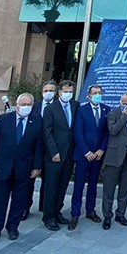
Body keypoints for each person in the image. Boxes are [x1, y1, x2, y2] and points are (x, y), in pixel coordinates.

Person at [0, 93, 43, 244]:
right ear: (17, 105)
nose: (26, 107)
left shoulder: (37, 122)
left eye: (29, 105)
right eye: (23, 104)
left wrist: (37, 167)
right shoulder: (3, 120)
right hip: (3, 168)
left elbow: (39, 146)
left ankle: (12, 228)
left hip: (24, 169)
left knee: (19, 201)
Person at [69, 84, 109, 230]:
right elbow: (78, 133)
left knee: (93, 184)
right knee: (79, 185)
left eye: (99, 92)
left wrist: (101, 149)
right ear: (89, 95)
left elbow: (107, 132)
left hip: (97, 155)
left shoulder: (106, 109)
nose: (97, 95)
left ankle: (90, 211)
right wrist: (87, 152)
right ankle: (75, 214)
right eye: (95, 93)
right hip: (83, 155)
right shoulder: (82, 110)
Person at [41, 80, 78, 231]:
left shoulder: (75, 106)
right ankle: (48, 217)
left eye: (70, 92)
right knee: (51, 186)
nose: (68, 94)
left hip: (69, 153)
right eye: (65, 91)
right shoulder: (50, 108)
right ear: (59, 92)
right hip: (55, 154)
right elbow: (47, 132)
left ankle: (57, 212)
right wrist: (53, 151)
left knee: (63, 185)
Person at [101, 93, 127, 230]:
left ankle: (120, 214)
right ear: (120, 102)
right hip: (114, 155)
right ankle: (107, 216)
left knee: (125, 188)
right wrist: (125, 116)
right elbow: (113, 130)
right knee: (109, 188)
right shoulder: (113, 114)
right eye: (125, 103)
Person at [23, 80, 58, 220]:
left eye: (51, 90)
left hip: (51, 149)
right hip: (33, 148)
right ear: (42, 91)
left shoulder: (58, 107)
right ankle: (25, 207)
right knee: (29, 180)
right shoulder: (34, 106)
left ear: (56, 92)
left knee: (49, 180)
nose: (48, 93)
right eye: (46, 90)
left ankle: (45, 206)